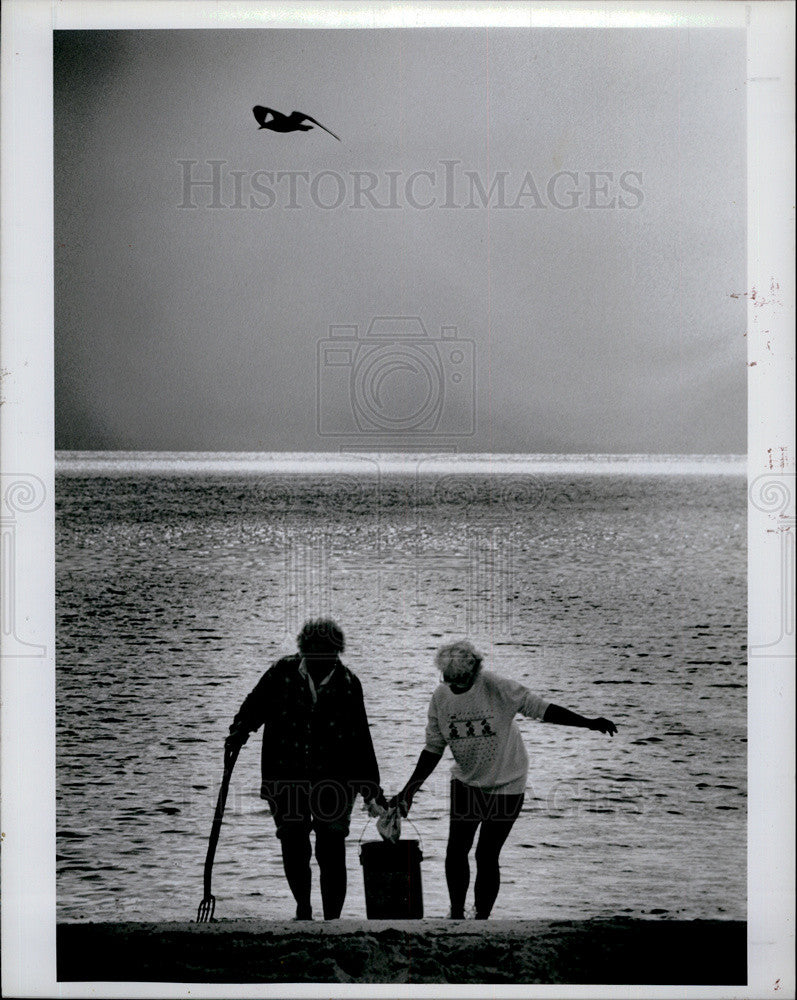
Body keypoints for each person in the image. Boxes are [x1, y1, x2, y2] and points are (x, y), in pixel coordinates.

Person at [392, 641, 617, 920]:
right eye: (448, 681)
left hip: (508, 782)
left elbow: (541, 709)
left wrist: (588, 722)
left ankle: (482, 919)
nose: (455, 687)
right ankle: (456, 915)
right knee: (456, 851)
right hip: (466, 783)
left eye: (460, 681)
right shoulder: (441, 697)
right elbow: (433, 748)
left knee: (486, 855)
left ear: (474, 672)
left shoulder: (496, 687)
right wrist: (408, 791)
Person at [226, 619, 386, 920]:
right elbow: (254, 706)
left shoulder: (349, 684)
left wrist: (371, 790)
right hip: (285, 773)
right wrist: (239, 731)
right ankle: (303, 907)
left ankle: (332, 919)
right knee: (293, 842)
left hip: (335, 779)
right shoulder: (281, 673)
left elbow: (360, 738)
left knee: (331, 847)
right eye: (315, 650)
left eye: (328, 651)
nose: (321, 657)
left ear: (337, 651)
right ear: (304, 649)